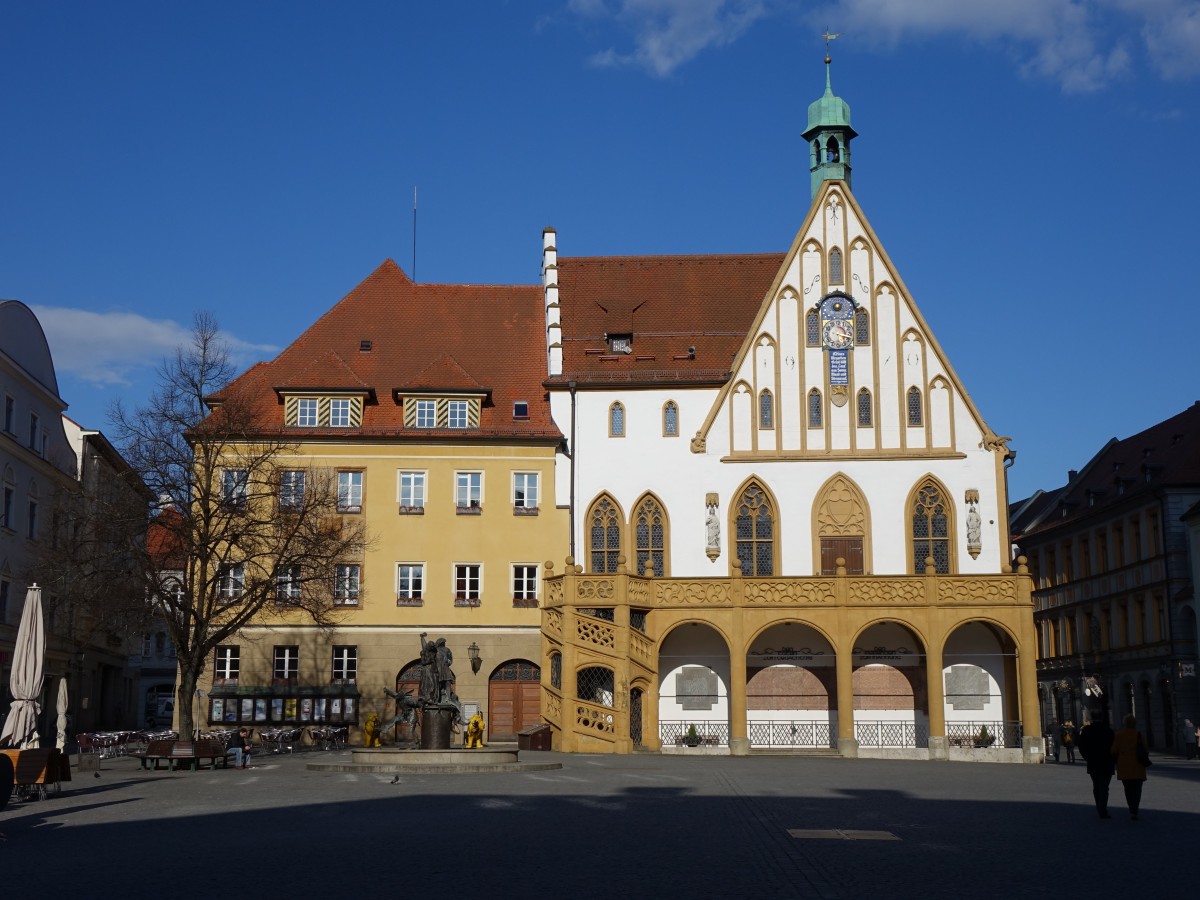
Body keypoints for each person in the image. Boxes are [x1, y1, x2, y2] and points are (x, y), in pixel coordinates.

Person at [1076, 712, 1116, 819]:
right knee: (1104, 787)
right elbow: (1114, 747)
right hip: (1107, 762)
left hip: (1093, 761)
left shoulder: (1087, 730)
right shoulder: (1108, 731)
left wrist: (1086, 756)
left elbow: (1081, 745)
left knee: (1096, 786)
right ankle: (1102, 808)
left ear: (1092, 719)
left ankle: (1099, 806)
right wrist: (1113, 759)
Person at [1111, 714, 1149, 820]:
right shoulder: (1139, 735)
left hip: (1124, 766)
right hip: (1138, 766)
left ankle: (1131, 808)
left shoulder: (1119, 735)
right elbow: (1146, 749)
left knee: (1128, 788)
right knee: (1137, 789)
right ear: (1135, 724)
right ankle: (1134, 809)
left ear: (1124, 723)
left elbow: (1113, 750)